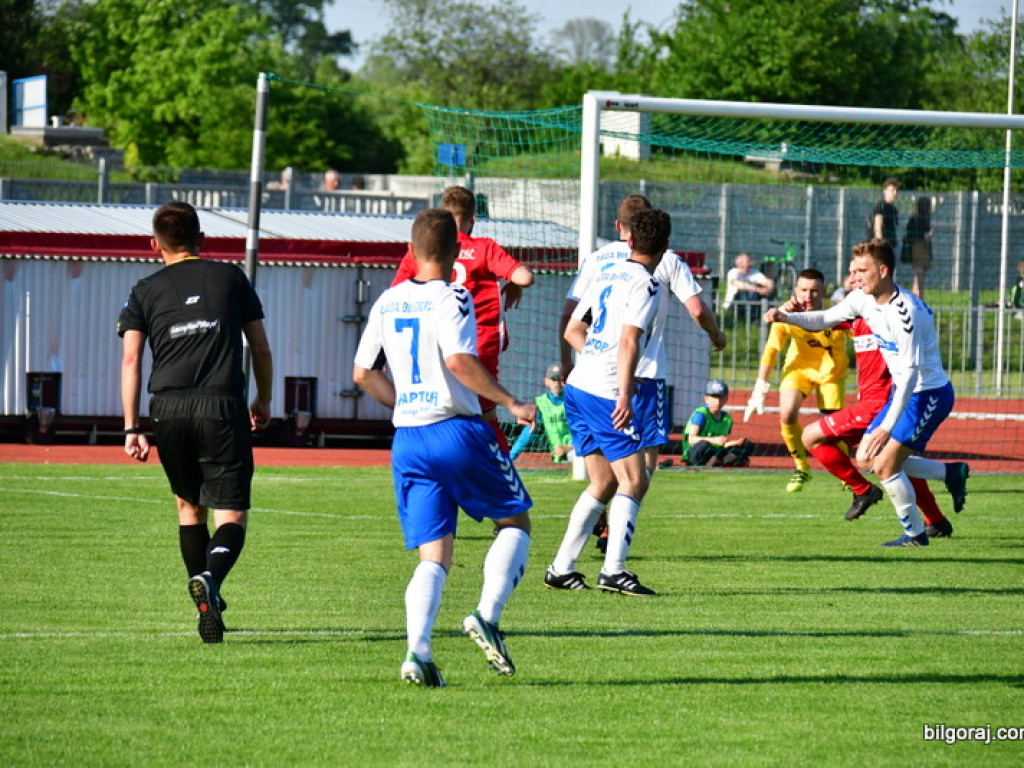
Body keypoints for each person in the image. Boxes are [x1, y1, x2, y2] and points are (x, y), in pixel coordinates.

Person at [353, 207, 536, 687]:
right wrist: (511, 400)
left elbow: (362, 373)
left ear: (411, 253)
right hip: (456, 429)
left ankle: (418, 653)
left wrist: (403, 404)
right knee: (515, 521)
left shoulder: (387, 301)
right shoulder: (454, 296)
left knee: (434, 556)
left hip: (409, 439)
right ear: (457, 252)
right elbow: (458, 361)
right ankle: (488, 616)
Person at [117, 201, 274, 644]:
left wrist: (132, 427)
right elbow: (259, 348)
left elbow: (131, 359)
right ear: (201, 239)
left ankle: (207, 604)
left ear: (155, 245)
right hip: (221, 405)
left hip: (167, 408)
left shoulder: (144, 288)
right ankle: (212, 578)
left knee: (189, 509)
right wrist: (262, 398)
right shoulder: (230, 277)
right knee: (232, 514)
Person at [764, 239, 969, 547]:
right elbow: (824, 318)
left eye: (861, 270)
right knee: (866, 459)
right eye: (853, 270)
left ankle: (915, 535)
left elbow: (911, 376)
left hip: (928, 394)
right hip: (903, 392)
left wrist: (885, 427)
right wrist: (785, 317)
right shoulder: (862, 299)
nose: (855, 277)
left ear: (883, 271)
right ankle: (949, 474)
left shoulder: (906, 313)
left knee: (885, 464)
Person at [555, 194, 725, 556]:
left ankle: (567, 562)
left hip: (588, 381)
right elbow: (696, 309)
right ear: (662, 241)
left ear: (622, 230)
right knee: (639, 475)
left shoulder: (599, 262)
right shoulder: (664, 264)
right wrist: (717, 336)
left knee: (604, 478)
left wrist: (586, 360)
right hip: (638, 379)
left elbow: (570, 322)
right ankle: (614, 556)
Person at [544, 208, 674, 597]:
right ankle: (614, 570)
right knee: (635, 480)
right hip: (604, 391)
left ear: (629, 239)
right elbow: (631, 340)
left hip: (580, 385)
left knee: (602, 481)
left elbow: (572, 329)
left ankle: (561, 568)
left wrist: (596, 359)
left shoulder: (605, 272)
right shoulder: (647, 286)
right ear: (665, 248)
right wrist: (623, 392)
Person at [392, 186, 534, 452]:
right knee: (485, 418)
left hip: (433, 345)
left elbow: (395, 294)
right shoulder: (484, 248)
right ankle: (499, 476)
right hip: (477, 345)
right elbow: (525, 277)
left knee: (442, 415)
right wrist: (515, 283)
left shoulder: (421, 254)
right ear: (472, 219)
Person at [744, 269, 850, 493]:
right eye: (803, 290)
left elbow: (861, 338)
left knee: (833, 428)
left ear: (824, 292)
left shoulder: (838, 311)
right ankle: (801, 468)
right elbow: (772, 349)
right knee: (787, 413)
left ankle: (846, 471)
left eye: (814, 291)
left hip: (831, 374)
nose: (808, 296)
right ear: (795, 290)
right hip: (798, 369)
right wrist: (759, 386)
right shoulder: (785, 313)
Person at [509, 364, 574, 464]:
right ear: (546, 381)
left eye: (562, 379)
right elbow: (529, 431)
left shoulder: (572, 400)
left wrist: (569, 446)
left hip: (576, 450)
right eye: (554, 379)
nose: (558, 383)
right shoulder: (541, 403)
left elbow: (586, 428)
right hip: (557, 454)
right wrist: (510, 457)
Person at [682, 379, 754, 467]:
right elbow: (691, 440)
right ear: (706, 398)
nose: (718, 400)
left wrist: (735, 443)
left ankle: (720, 460)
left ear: (726, 398)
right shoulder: (701, 415)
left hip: (716, 450)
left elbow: (722, 444)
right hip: (698, 450)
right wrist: (714, 440)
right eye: (714, 396)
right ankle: (726, 460)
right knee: (703, 445)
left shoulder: (727, 419)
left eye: (721, 397)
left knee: (747, 445)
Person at [722, 252, 775, 318]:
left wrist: (768, 289)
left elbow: (768, 282)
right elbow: (739, 285)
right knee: (742, 292)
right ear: (740, 264)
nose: (751, 263)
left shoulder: (754, 272)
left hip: (752, 302)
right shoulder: (733, 272)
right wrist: (758, 290)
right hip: (734, 304)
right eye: (748, 261)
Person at [903, 196, 933, 299]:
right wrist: (926, 235)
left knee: (920, 275)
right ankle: (917, 298)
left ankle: (918, 298)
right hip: (918, 247)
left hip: (922, 247)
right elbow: (913, 234)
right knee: (919, 274)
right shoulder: (917, 218)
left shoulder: (921, 218)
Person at [870, 177, 900, 247]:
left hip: (892, 245)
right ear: (885, 191)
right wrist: (880, 245)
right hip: (883, 246)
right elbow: (878, 227)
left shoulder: (894, 209)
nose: (895, 193)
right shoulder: (881, 206)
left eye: (896, 190)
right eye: (892, 190)